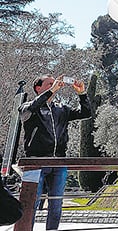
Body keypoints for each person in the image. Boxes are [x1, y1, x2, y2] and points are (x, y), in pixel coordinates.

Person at [19, 75, 92, 230]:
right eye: (49, 84)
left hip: (59, 163)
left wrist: (82, 93)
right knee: (30, 203)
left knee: (56, 204)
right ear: (38, 88)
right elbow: (29, 110)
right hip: (35, 163)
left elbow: (86, 113)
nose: (54, 87)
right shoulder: (28, 107)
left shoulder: (61, 109)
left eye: (54, 84)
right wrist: (50, 92)